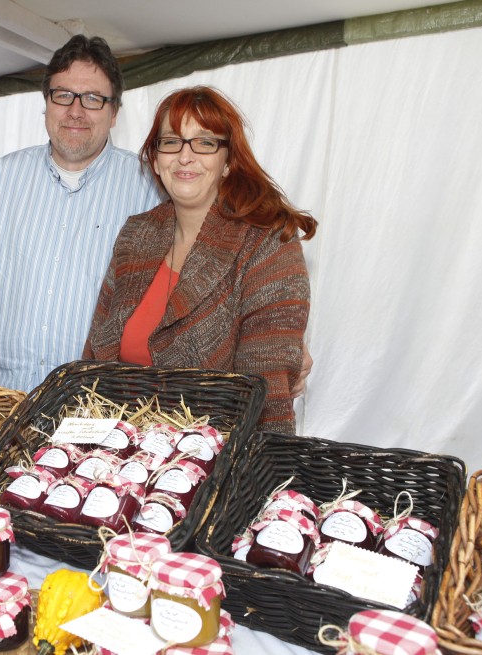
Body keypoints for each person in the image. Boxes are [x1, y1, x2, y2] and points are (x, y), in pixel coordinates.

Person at [0, 35, 161, 392]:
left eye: (93, 98)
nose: (75, 110)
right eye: (63, 95)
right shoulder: (3, 178)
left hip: (92, 408)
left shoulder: (147, 187)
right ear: (46, 102)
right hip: (3, 402)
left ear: (114, 113)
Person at [83, 86, 317, 432]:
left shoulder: (268, 242)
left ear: (228, 162)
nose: (185, 156)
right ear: (156, 158)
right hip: (119, 451)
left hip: (216, 455)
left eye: (204, 143)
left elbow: (266, 392)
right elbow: (93, 360)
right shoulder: (136, 234)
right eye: (171, 142)